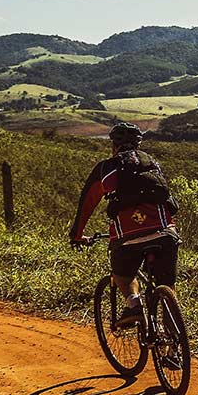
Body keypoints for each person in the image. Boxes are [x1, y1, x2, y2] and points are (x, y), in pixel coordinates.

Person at [70, 122, 181, 331]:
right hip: (166, 232)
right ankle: (174, 348)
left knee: (122, 274)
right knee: (167, 287)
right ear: (138, 145)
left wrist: (77, 234)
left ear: (113, 146)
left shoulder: (105, 168)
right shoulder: (152, 163)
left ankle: (134, 305)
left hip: (127, 237)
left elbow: (87, 203)